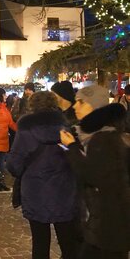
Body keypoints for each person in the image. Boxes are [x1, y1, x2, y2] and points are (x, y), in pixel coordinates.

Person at [60, 85, 130, 259]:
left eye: (81, 102)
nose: (75, 106)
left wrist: (72, 147)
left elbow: (90, 175)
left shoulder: (103, 139)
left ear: (95, 106)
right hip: (109, 228)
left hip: (108, 230)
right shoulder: (105, 134)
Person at [7, 91, 79, 259]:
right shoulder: (65, 124)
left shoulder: (25, 127)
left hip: (35, 191)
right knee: (68, 242)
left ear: (32, 105)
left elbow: (15, 164)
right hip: (64, 190)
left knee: (40, 242)